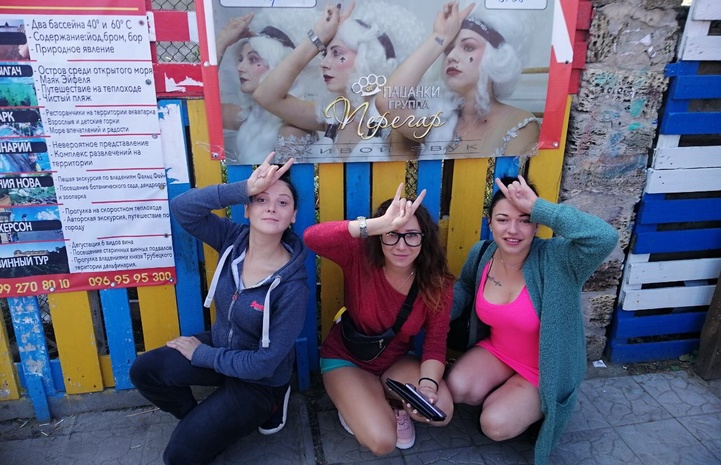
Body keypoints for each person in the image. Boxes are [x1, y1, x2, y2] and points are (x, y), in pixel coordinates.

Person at [129, 153, 309, 465]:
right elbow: (182, 208)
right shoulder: (231, 239)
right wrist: (244, 187)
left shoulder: (293, 286)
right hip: (221, 345)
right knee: (144, 371)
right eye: (261, 199)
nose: (271, 207)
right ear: (247, 208)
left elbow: (264, 364)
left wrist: (203, 356)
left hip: (260, 382)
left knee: (177, 457)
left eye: (282, 203)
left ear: (292, 216)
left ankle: (273, 401)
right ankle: (198, 422)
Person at [445, 175, 618, 465]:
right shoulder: (482, 253)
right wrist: (436, 314)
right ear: (490, 222)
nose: (512, 230)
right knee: (457, 387)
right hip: (498, 351)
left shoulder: (559, 259)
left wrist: (540, 207)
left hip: (543, 369)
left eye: (525, 220)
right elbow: (464, 287)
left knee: (494, 425)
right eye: (502, 220)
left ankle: (535, 406)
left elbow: (605, 237)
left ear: (537, 224)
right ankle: (507, 394)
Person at [303, 183, 455, 455]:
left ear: (424, 238)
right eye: (391, 235)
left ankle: (386, 401)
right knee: (383, 442)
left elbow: (435, 342)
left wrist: (427, 386)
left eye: (411, 235)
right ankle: (360, 405)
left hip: (395, 361)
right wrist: (377, 224)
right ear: (379, 235)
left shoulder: (437, 282)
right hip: (347, 358)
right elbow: (312, 237)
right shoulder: (358, 255)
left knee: (440, 410)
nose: (401, 245)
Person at [254, 2, 423, 162]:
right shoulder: (331, 116)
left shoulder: (395, 122)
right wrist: (318, 37)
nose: (323, 63)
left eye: (336, 53)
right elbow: (265, 96)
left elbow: (403, 180)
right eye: (325, 54)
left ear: (368, 58)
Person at [375, 1, 540, 159]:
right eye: (447, 49)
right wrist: (439, 36)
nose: (452, 56)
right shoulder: (437, 120)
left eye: (468, 47)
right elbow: (387, 103)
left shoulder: (519, 125)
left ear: (497, 57)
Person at [216, 11, 317, 163]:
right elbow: (199, 110)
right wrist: (221, 44)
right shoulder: (248, 115)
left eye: (253, 59)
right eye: (240, 59)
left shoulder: (292, 129)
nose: (240, 67)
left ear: (277, 67)